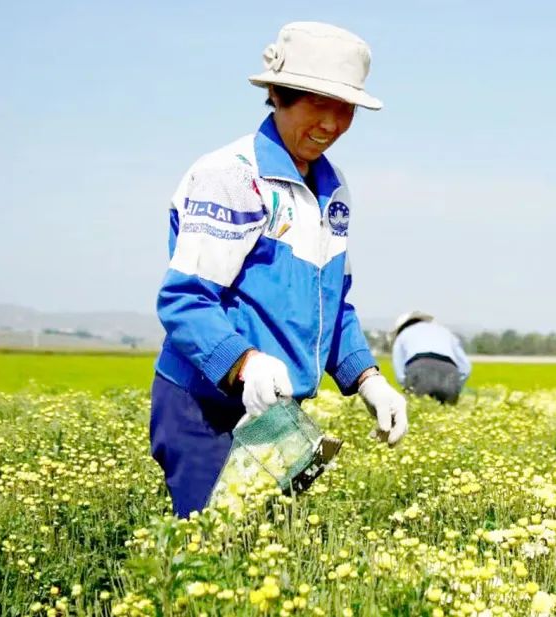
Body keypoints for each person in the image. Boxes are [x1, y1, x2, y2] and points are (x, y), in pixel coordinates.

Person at [150, 21, 408, 518]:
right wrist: (244, 363)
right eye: (318, 104)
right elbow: (184, 301)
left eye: (345, 109)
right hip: (205, 405)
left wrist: (369, 380)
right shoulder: (232, 176)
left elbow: (332, 306)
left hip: (277, 416)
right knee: (209, 557)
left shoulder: (332, 191)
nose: (332, 124)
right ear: (277, 94)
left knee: (259, 557)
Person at [390, 312, 471, 404]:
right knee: (446, 410)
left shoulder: (402, 335)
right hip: (449, 369)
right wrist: (456, 385)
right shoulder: (445, 332)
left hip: (418, 367)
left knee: (419, 408)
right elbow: (465, 367)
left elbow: (399, 370)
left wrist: (407, 388)